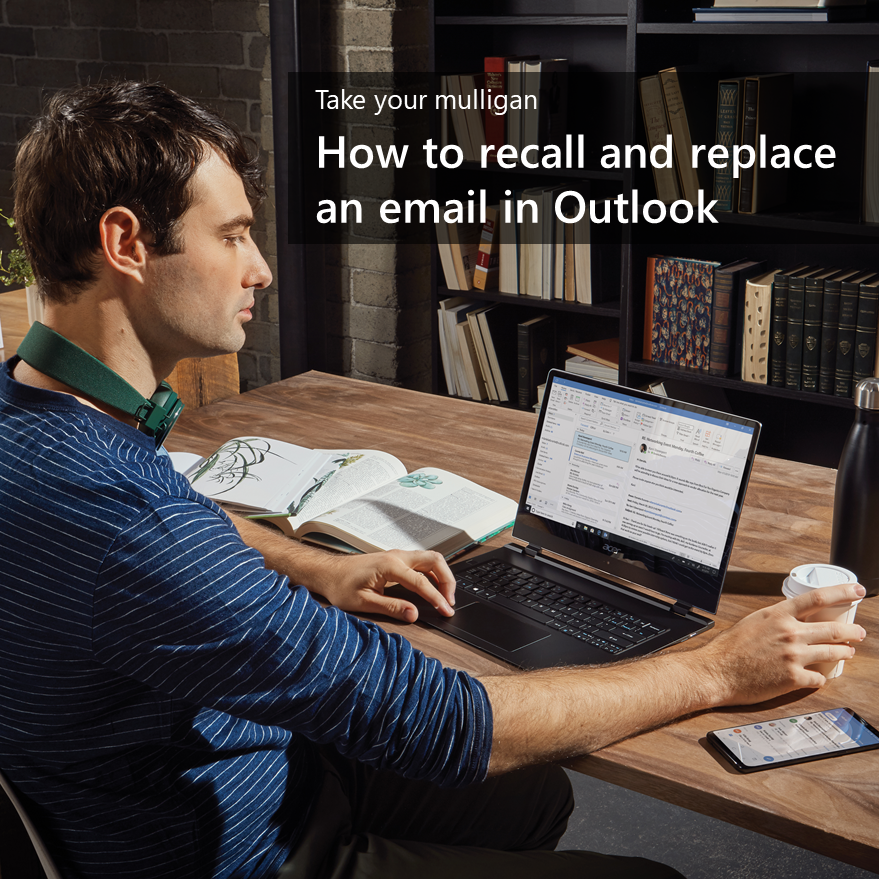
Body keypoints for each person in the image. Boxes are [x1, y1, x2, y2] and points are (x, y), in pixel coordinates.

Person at [0, 81, 866, 879]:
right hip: (241, 846)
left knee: (538, 796)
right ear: (126, 243)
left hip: (188, 767)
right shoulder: (125, 520)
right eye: (230, 236)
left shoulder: (32, 412)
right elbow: (446, 725)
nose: (259, 266)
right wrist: (716, 669)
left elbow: (166, 520)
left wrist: (315, 565)